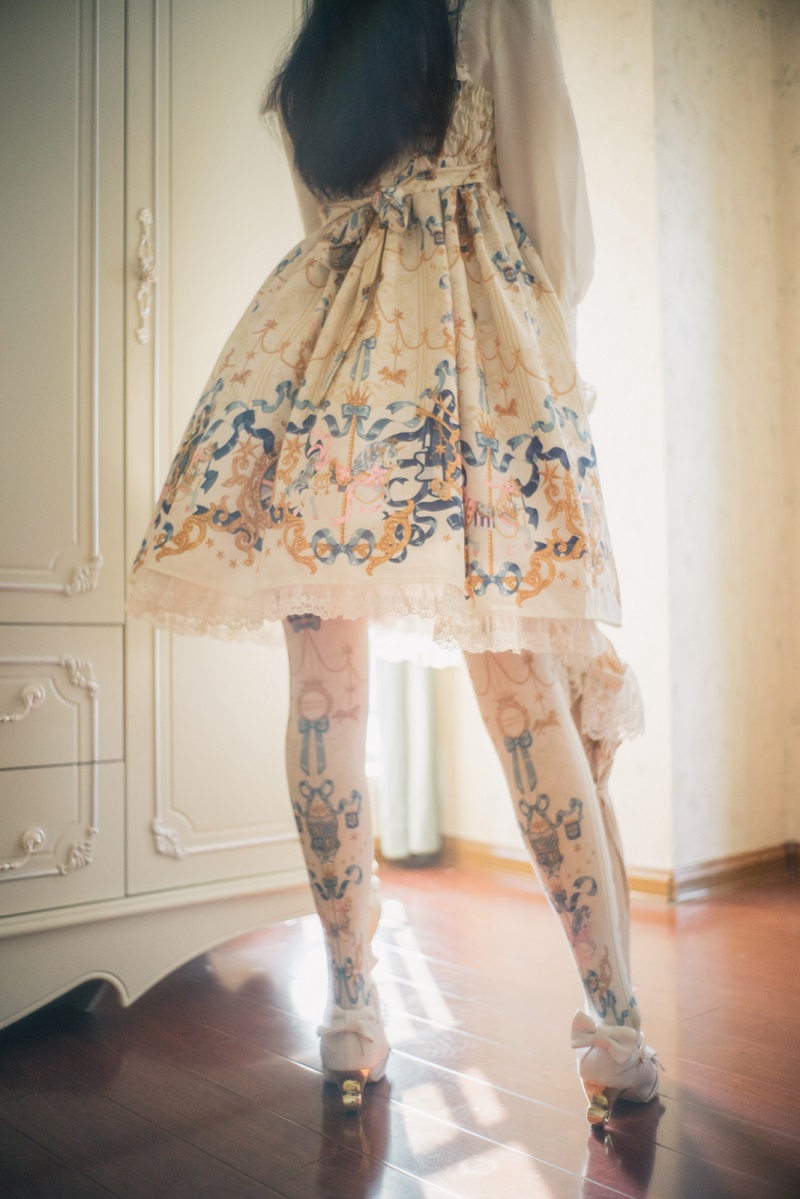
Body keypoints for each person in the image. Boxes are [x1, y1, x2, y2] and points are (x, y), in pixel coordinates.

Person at [127, 0, 662, 1122]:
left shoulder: (318, 43)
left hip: (325, 360)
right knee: (521, 689)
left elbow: (322, 215)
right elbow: (554, 219)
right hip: (473, 347)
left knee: (324, 691)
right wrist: (548, 379)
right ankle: (615, 1029)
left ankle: (352, 1007)